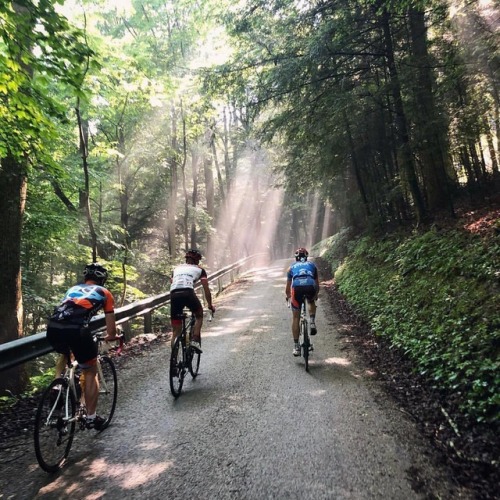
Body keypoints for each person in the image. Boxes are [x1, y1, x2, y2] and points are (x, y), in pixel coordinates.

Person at [46, 263, 119, 430]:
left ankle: (57, 384)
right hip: (77, 330)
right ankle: (91, 417)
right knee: (90, 371)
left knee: (66, 353)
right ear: (102, 279)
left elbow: (66, 311)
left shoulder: (72, 289)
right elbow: (111, 329)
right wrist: (111, 336)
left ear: (85, 277)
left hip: (53, 328)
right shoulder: (104, 293)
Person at [170, 249, 215, 354]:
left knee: (176, 331)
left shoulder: (176, 269)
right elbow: (206, 288)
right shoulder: (200, 270)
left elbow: (173, 283)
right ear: (197, 261)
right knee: (199, 315)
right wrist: (210, 305)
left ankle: (174, 360)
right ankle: (195, 340)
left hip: (174, 295)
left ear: (186, 259)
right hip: (188, 293)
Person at [285, 247, 320, 357]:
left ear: (296, 258)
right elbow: (317, 284)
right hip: (310, 285)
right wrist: (315, 295)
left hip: (297, 288)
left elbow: (288, 288)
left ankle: (296, 347)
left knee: (296, 317)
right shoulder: (312, 265)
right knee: (311, 301)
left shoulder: (291, 268)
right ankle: (312, 322)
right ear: (306, 257)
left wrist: (288, 296)